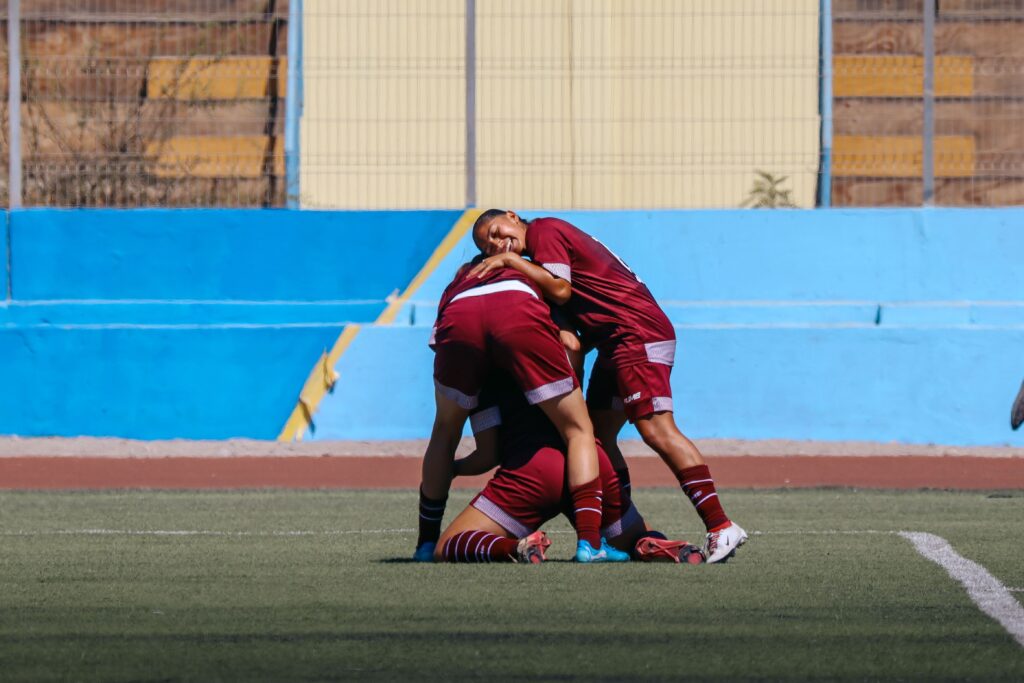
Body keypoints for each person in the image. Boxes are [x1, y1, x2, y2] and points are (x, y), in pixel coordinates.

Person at [469, 210, 747, 564]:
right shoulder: (540, 250)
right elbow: (573, 321)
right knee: (597, 436)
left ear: (512, 216)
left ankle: (720, 525)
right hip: (614, 343)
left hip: (636, 335)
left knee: (657, 430)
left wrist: (511, 261)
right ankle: (618, 532)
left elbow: (560, 289)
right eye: (488, 246)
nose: (497, 243)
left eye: (496, 231)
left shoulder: (543, 230)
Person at [414, 255, 613, 563]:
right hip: (588, 468)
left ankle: (427, 544)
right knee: (580, 431)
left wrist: (453, 469)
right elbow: (572, 347)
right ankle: (597, 543)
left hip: (525, 476)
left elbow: (488, 454)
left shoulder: (481, 375)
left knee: (444, 433)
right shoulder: (530, 282)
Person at [431, 370, 703, 565]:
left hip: (533, 470)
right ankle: (653, 544)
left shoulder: (485, 371)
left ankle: (517, 547)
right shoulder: (560, 345)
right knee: (636, 539)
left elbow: (488, 455)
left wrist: (453, 468)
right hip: (590, 460)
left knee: (449, 544)